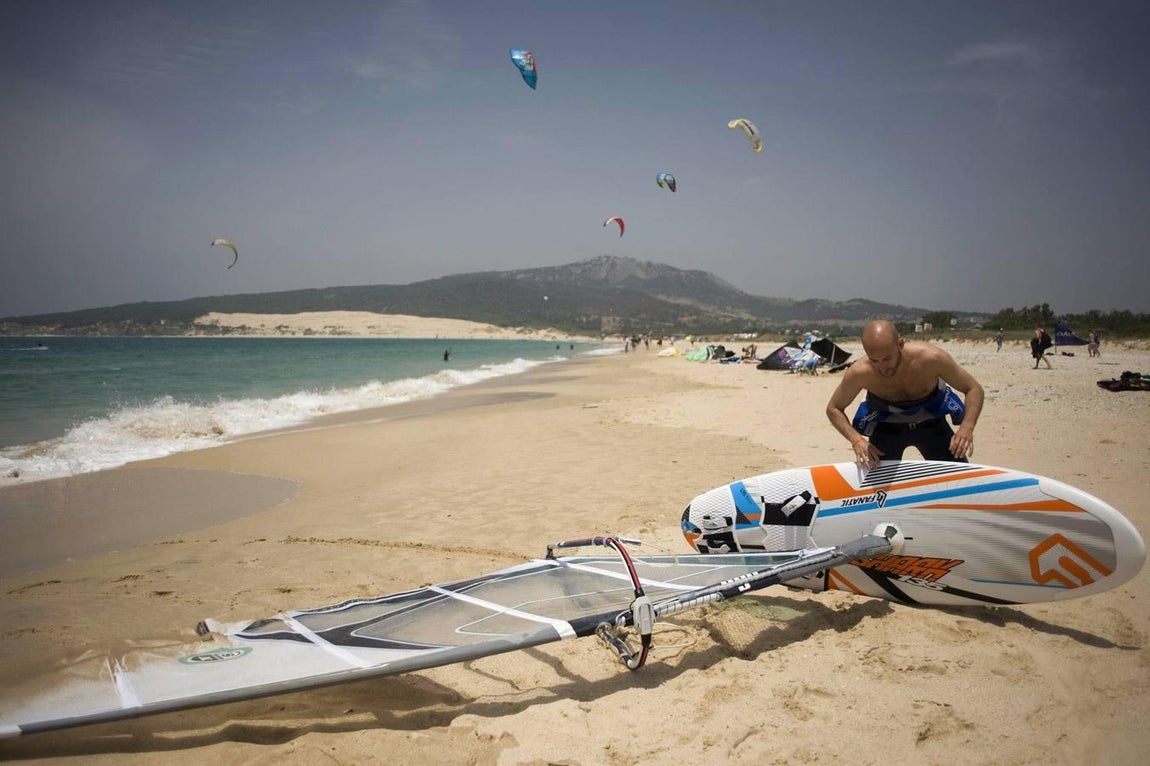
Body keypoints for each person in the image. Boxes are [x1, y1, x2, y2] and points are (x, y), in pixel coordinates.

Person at [826, 320, 984, 470]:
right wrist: (856, 440)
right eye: (874, 360)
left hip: (932, 423)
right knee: (879, 486)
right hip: (887, 427)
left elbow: (973, 388)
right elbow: (834, 408)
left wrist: (967, 427)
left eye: (887, 358)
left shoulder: (931, 358)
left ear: (900, 344)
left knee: (958, 479)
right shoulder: (859, 373)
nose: (882, 367)